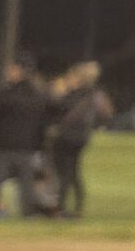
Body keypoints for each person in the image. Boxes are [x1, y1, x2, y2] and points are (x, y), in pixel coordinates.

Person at [0, 58, 51, 216]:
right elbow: (43, 123)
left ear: (20, 71)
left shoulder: (5, 94)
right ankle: (28, 213)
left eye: (12, 69)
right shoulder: (38, 96)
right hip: (27, 146)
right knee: (26, 183)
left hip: (2, 145)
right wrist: (38, 144)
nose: (8, 72)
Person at [46, 60, 113, 218]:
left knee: (64, 173)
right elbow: (105, 114)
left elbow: (55, 108)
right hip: (81, 137)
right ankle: (78, 207)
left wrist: (57, 93)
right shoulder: (94, 95)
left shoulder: (73, 95)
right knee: (74, 171)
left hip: (67, 137)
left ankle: (60, 207)